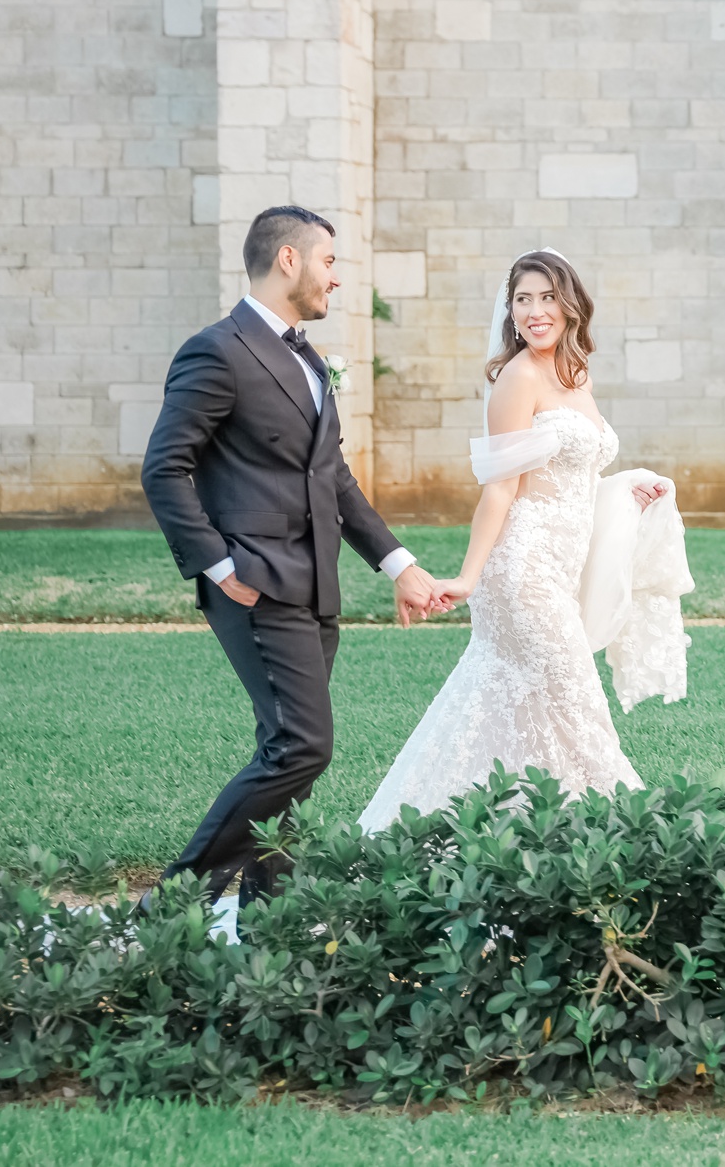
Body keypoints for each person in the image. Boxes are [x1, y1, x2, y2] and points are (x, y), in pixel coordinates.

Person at [141, 206, 443, 919]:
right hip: (254, 582)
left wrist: (396, 561)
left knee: (288, 754)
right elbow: (164, 467)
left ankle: (270, 916)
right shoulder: (216, 351)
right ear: (288, 259)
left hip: (315, 585)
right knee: (303, 747)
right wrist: (217, 566)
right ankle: (170, 907)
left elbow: (332, 477)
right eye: (329, 262)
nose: (337, 278)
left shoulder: (307, 357)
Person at [358, 248, 679, 831]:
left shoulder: (575, 375)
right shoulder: (517, 377)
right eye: (523, 300)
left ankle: (482, 839)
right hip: (522, 572)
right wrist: (469, 576)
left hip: (560, 569)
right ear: (509, 311)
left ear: (571, 304)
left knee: (518, 714)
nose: (535, 311)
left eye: (547, 297)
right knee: (579, 707)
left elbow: (572, 479)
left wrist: (624, 494)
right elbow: (501, 491)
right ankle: (632, 842)